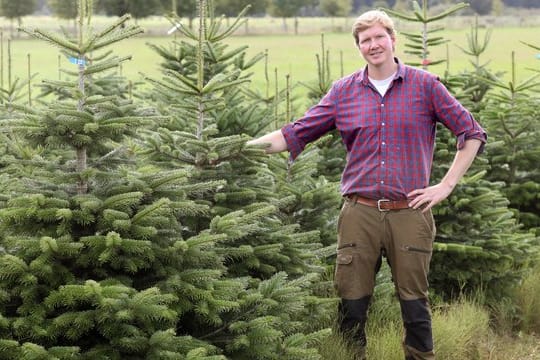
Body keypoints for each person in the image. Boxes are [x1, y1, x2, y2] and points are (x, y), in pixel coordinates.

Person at [247, 9, 486, 360]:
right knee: (351, 306)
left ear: (392, 39)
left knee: (414, 306)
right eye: (365, 40)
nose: (373, 45)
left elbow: (472, 133)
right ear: (359, 47)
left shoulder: (426, 86)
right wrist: (239, 149)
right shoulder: (343, 92)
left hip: (410, 212)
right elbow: (293, 134)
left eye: (378, 37)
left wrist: (445, 186)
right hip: (359, 213)